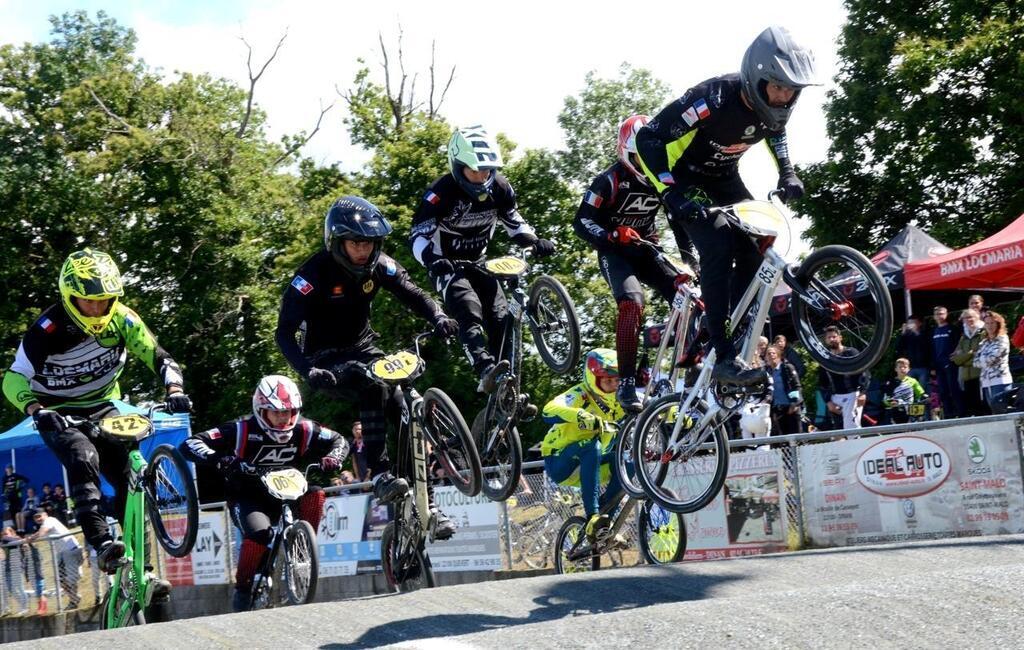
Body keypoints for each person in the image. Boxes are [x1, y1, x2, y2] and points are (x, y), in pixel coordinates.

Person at [636, 26, 819, 387]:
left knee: (758, 243)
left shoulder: (777, 105)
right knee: (718, 242)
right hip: (683, 179)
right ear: (757, 77)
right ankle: (721, 354)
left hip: (722, 177)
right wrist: (670, 193)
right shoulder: (713, 98)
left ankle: (719, 320)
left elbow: (776, 130)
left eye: (791, 90)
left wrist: (788, 172)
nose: (784, 97)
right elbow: (649, 137)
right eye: (778, 87)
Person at [275, 196, 460, 538]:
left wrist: (438, 315)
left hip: (365, 349)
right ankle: (379, 473)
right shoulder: (311, 274)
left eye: (370, 243)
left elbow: (414, 293)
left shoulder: (381, 265)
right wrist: (307, 371)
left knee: (407, 402)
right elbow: (284, 333)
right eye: (356, 243)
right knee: (372, 385)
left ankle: (429, 507)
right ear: (337, 241)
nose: (364, 250)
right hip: (326, 360)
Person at [1, 248, 192, 578]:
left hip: (105, 405)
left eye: (105, 299)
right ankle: (103, 544)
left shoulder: (123, 318)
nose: (97, 307)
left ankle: (141, 568)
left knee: (126, 477)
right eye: (89, 300)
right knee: (84, 455)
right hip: (56, 411)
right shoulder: (47, 328)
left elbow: (159, 357)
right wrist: (35, 409)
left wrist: (174, 390)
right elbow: (13, 378)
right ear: (69, 296)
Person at [179, 374, 349, 612]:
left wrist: (334, 457)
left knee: (317, 493)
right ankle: (243, 587)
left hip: (291, 492)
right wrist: (221, 460)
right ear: (261, 410)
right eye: (276, 412)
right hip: (248, 497)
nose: (283, 418)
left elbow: (339, 440)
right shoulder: (240, 430)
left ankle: (302, 546)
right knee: (259, 534)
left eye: (288, 412)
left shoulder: (305, 429)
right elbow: (189, 444)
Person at [410, 125, 556, 394]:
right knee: (469, 308)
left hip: (481, 262)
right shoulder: (440, 193)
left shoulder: (500, 187)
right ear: (458, 165)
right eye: (474, 170)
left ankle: (508, 387)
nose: (480, 177)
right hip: (448, 265)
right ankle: (485, 369)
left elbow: (514, 222)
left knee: (502, 317)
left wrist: (535, 241)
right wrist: (432, 260)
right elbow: (417, 236)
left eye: (486, 170)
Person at [572, 114, 697, 411]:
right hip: (615, 252)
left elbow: (678, 222)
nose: (646, 165)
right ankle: (628, 382)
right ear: (626, 154)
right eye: (639, 159)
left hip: (646, 247)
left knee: (689, 293)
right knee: (632, 303)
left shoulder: (664, 178)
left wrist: (692, 263)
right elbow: (581, 221)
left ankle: (694, 364)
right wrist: (612, 234)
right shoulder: (609, 180)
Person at [541, 349, 626, 544]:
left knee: (626, 464)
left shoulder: (620, 399)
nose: (614, 386)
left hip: (590, 463)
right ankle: (592, 516)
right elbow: (548, 410)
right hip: (560, 461)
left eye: (616, 380)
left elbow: (649, 403)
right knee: (592, 445)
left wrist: (674, 413)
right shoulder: (580, 393)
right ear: (593, 379)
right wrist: (579, 415)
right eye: (607, 381)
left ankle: (604, 524)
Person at [26, 508, 83, 609]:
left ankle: (74, 601)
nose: (38, 519)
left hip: (70, 550)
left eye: (39, 516)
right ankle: (74, 598)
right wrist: (30, 539)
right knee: (60, 579)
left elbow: (42, 532)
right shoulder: (46, 523)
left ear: (45, 515)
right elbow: (40, 532)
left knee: (71, 579)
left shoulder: (49, 521)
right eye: (36, 517)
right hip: (63, 553)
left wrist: (30, 539)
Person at [818, 327, 870, 431]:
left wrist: (863, 392)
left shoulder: (851, 352)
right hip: (835, 397)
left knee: (852, 429)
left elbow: (864, 372)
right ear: (825, 340)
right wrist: (828, 402)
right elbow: (822, 383)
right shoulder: (825, 358)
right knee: (836, 432)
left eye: (834, 336)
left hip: (852, 395)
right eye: (829, 337)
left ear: (840, 337)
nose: (832, 339)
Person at [952, 308, 988, 417]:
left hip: (980, 375)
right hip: (967, 377)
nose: (969, 320)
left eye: (971, 317)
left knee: (983, 406)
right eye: (966, 318)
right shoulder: (964, 336)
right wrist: (971, 353)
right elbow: (956, 359)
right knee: (972, 407)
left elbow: (981, 353)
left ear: (977, 317)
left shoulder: (983, 332)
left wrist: (964, 357)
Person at [974, 311, 1012, 410]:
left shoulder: (1002, 339)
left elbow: (993, 358)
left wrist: (982, 359)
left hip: (1000, 381)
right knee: (993, 411)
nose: (989, 326)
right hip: (986, 382)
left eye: (992, 323)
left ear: (998, 324)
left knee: (1002, 410)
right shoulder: (983, 342)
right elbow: (975, 362)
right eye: (987, 323)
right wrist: (984, 359)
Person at [931, 306, 962, 419]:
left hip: (951, 363)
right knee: (943, 391)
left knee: (954, 389)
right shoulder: (933, 331)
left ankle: (960, 412)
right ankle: (948, 414)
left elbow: (959, 345)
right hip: (939, 366)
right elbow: (931, 349)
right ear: (934, 316)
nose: (940, 316)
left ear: (946, 314)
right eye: (937, 314)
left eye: (942, 313)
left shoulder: (952, 329)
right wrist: (933, 366)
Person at [765, 345, 803, 435]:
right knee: (784, 440)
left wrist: (794, 403)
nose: (771, 355)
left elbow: (796, 386)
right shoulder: (767, 372)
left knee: (796, 437)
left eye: (773, 353)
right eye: (768, 354)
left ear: (778, 355)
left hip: (791, 408)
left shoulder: (787, 368)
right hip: (778, 409)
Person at [882, 358, 927, 424]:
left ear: (909, 369)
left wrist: (925, 397)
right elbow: (885, 399)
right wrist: (890, 402)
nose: (902, 369)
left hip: (910, 412)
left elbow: (921, 394)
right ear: (895, 369)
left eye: (905, 367)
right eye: (900, 367)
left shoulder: (913, 381)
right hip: (896, 411)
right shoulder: (890, 383)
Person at [895, 316, 930, 389]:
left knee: (922, 389)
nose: (911, 324)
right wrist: (903, 333)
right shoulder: (907, 335)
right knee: (909, 389)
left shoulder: (925, 333)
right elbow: (899, 347)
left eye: (913, 322)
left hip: (923, 367)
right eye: (909, 323)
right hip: (910, 367)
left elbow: (928, 347)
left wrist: (916, 332)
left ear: (919, 323)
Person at [3, 466, 29, 531]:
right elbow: (3, 488)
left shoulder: (16, 476)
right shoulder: (4, 478)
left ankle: (22, 529)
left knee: (19, 512)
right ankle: (16, 529)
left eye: (10, 468)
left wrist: (21, 487)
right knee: (11, 514)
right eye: (8, 468)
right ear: (5, 469)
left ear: (12, 469)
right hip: (9, 498)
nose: (9, 470)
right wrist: (4, 495)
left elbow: (26, 480)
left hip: (17, 497)